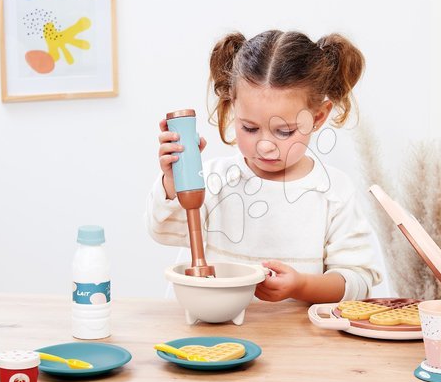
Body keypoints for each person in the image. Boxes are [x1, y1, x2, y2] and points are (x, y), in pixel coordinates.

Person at [146, 30, 382, 303]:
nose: (265, 146)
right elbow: (162, 231)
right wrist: (175, 181)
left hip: (296, 341)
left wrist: (302, 286)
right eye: (249, 128)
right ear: (232, 106)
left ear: (318, 117)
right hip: (211, 337)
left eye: (284, 131)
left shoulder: (333, 191)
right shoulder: (212, 180)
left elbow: (358, 281)